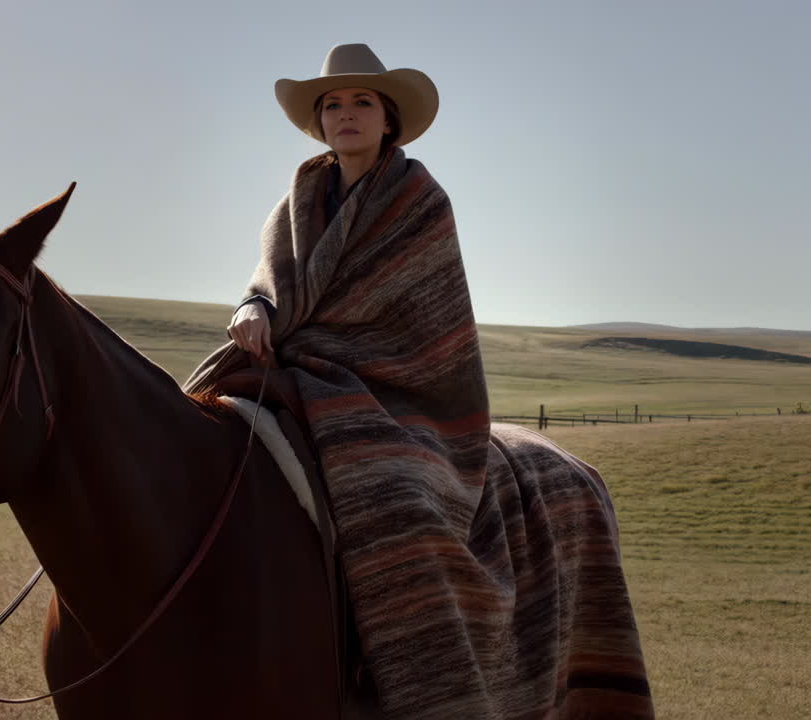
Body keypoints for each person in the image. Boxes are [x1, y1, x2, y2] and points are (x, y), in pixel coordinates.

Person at [184, 44, 653, 720]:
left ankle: (414, 664)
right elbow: (270, 281)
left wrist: (340, 353)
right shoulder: (298, 197)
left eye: (361, 103)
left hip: (395, 390)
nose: (346, 114)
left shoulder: (418, 201)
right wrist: (253, 309)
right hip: (295, 366)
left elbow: (421, 322)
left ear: (387, 119)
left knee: (392, 492)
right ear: (320, 121)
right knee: (190, 419)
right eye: (333, 104)